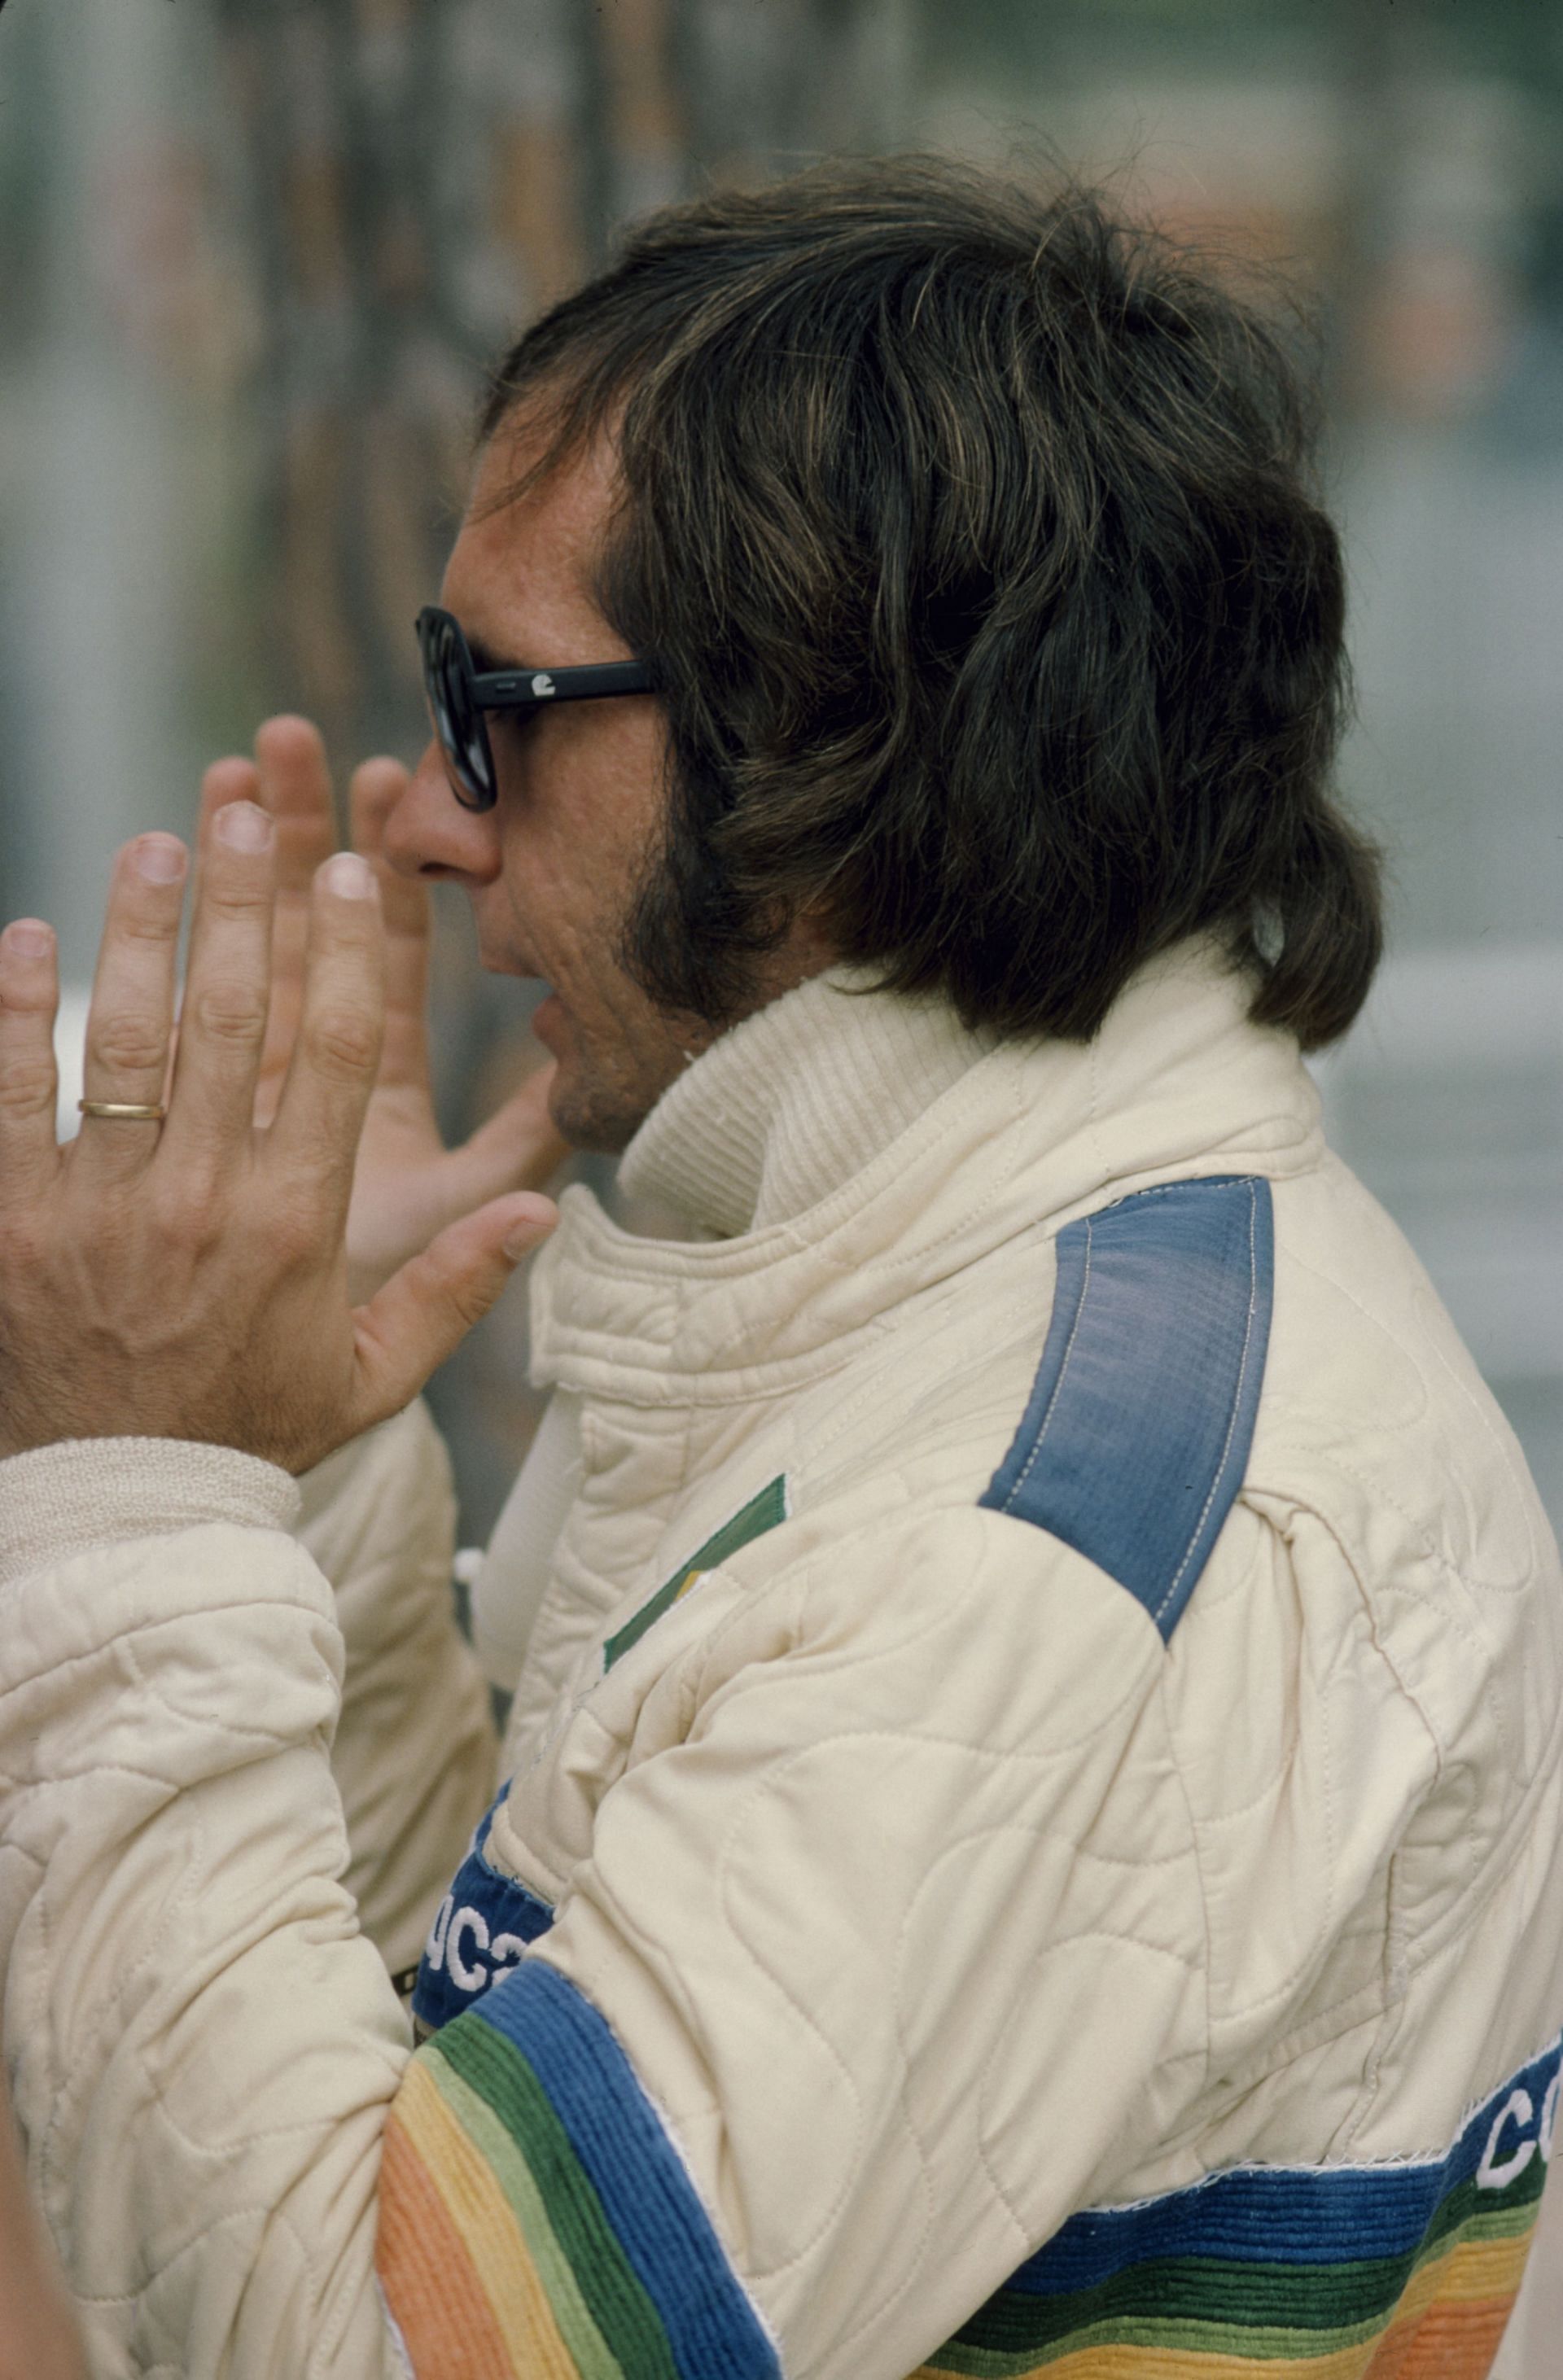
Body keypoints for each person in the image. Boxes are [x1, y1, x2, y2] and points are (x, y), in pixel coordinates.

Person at [0, 157, 1560, 2380]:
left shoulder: (1038, 1533)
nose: (431, 817)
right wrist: (300, 1468)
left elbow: (380, 2339)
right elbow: (498, 2099)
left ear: (835, 753)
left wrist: (130, 1491)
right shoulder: (961, 1308)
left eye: (494, 697)